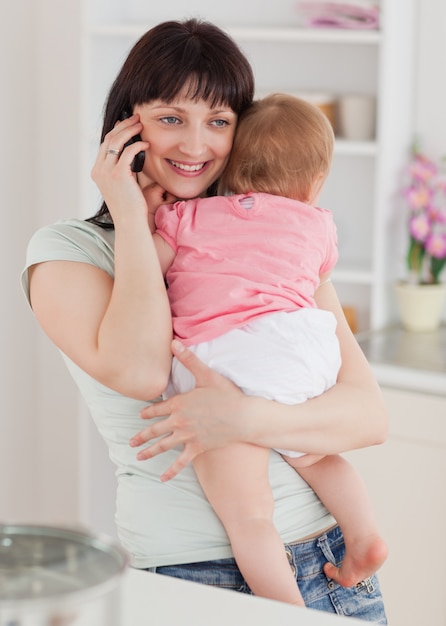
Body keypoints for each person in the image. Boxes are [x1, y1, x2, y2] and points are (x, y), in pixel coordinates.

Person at [22, 18, 388, 621]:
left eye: (219, 122)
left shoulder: (266, 246)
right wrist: (132, 217)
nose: (196, 146)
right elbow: (140, 370)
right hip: (196, 577)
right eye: (171, 118)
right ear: (125, 124)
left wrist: (242, 416)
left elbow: (368, 417)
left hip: (332, 561)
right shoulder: (67, 252)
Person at [142, 93, 387, 606]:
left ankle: (287, 611)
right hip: (303, 348)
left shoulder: (189, 216)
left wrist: (147, 220)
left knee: (248, 512)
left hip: (225, 358)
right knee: (318, 456)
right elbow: (314, 275)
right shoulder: (318, 223)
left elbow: (148, 273)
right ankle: (363, 535)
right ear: (315, 182)